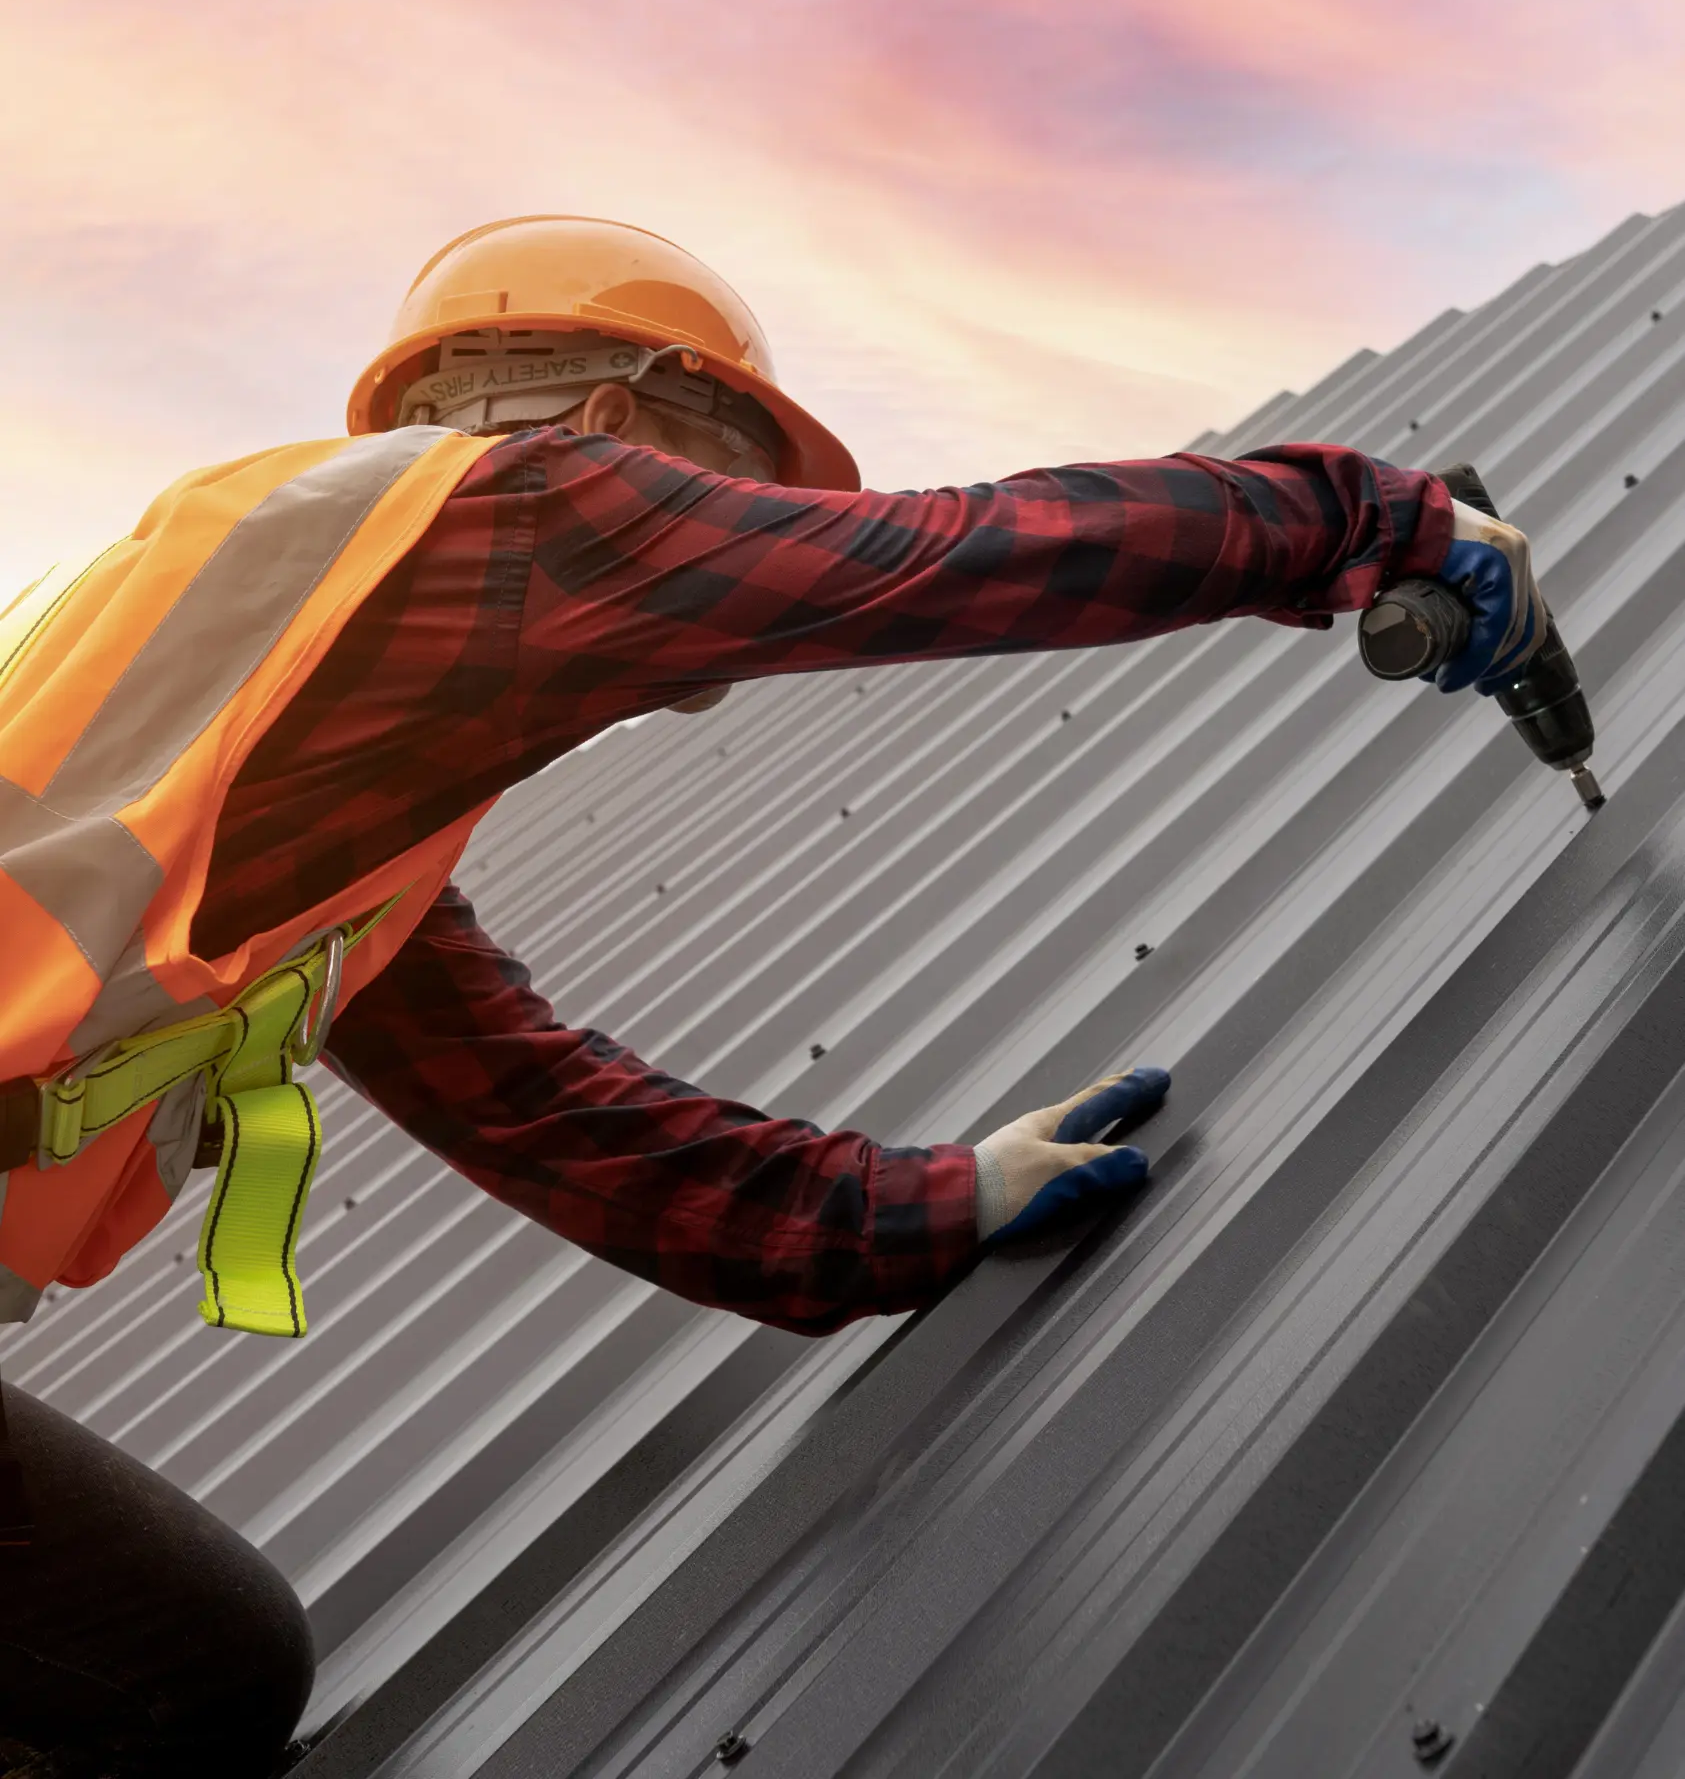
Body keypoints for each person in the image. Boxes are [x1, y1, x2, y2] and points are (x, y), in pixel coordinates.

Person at [0, 216, 1544, 1777]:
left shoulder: (278, 735)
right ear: (607, 425)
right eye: (727, 470)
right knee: (183, 1683)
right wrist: (1362, 518)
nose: (740, 521)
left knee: (190, 1667)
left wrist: (912, 1209)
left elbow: (536, 1108)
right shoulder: (519, 506)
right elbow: (947, 557)